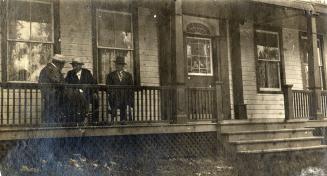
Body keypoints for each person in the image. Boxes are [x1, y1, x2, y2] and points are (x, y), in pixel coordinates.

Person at [65, 58, 99, 123]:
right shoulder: (70, 73)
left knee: (95, 99)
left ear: (81, 65)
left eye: (76, 65)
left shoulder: (87, 73)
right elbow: (66, 84)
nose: (74, 66)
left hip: (87, 94)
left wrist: (94, 92)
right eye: (73, 65)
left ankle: (94, 120)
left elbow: (94, 83)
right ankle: (78, 119)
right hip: (74, 95)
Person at [106, 56, 134, 125]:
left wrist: (129, 96)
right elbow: (108, 87)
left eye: (120, 64)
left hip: (125, 97)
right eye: (117, 64)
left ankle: (123, 120)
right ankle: (113, 119)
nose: (118, 66)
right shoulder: (110, 75)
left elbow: (131, 87)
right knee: (114, 99)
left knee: (124, 102)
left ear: (123, 66)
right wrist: (112, 92)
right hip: (114, 96)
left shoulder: (128, 75)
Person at [39, 54, 66, 123]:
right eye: (63, 64)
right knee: (51, 113)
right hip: (52, 95)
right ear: (59, 63)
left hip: (52, 95)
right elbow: (58, 81)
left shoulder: (50, 69)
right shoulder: (50, 69)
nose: (63, 66)